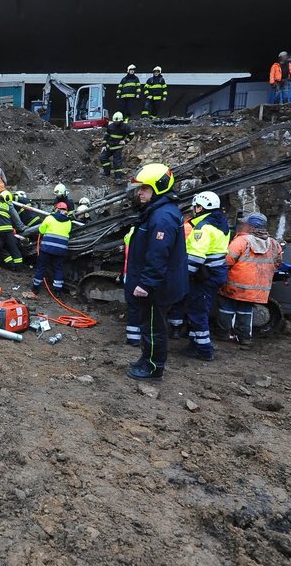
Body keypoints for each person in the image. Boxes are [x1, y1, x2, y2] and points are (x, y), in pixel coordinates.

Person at [124, 163, 187, 381]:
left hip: (157, 288)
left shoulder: (162, 217)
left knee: (154, 328)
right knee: (148, 325)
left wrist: (147, 283)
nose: (139, 193)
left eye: (145, 189)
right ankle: (146, 358)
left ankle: (153, 367)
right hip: (156, 284)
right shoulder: (157, 212)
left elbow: (158, 254)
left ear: (158, 188)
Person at [217, 212, 283, 349]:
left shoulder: (242, 241)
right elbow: (278, 263)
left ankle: (223, 334)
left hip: (235, 285)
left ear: (250, 226)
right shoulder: (274, 244)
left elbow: (227, 261)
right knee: (245, 311)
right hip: (257, 289)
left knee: (226, 308)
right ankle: (245, 338)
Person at [180, 191, 230, 361]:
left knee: (197, 311)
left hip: (204, 276)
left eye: (195, 207)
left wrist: (184, 276)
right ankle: (194, 344)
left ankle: (204, 349)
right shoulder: (221, 225)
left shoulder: (202, 228)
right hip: (215, 274)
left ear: (200, 207)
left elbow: (195, 257)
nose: (193, 210)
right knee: (200, 308)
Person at [29, 201, 72, 298]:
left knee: (41, 267)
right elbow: (68, 231)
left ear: (56, 209)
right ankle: (57, 291)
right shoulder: (69, 221)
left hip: (47, 248)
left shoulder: (49, 218)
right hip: (61, 250)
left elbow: (41, 230)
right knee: (58, 269)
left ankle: (35, 288)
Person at [98, 112, 135, 185]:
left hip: (117, 148)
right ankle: (107, 172)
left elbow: (131, 134)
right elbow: (106, 136)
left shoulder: (125, 127)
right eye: (115, 121)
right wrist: (104, 145)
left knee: (117, 163)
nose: (116, 122)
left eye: (117, 121)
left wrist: (125, 141)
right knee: (102, 157)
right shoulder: (110, 126)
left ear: (121, 120)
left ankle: (118, 178)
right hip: (109, 146)